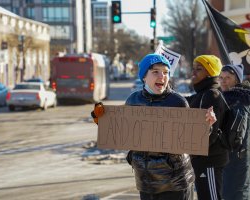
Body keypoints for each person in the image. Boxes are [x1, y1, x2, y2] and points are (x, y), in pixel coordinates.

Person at [92, 53, 217, 200]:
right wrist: (101, 119)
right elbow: (122, 130)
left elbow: (191, 140)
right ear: (144, 76)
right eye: (155, 72)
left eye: (165, 72)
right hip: (146, 181)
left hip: (175, 183)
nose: (162, 76)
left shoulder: (178, 102)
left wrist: (206, 126)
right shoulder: (133, 100)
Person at [185, 55, 228, 200]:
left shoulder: (212, 95)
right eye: (193, 68)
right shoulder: (202, 94)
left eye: (199, 69)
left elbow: (211, 132)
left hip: (210, 160)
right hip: (202, 159)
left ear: (209, 73)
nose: (193, 72)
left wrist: (193, 150)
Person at [219, 64, 250, 200]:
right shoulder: (235, 100)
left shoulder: (237, 103)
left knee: (235, 193)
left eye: (228, 78)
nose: (223, 81)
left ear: (237, 80)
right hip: (236, 158)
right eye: (221, 77)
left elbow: (233, 136)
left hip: (236, 159)